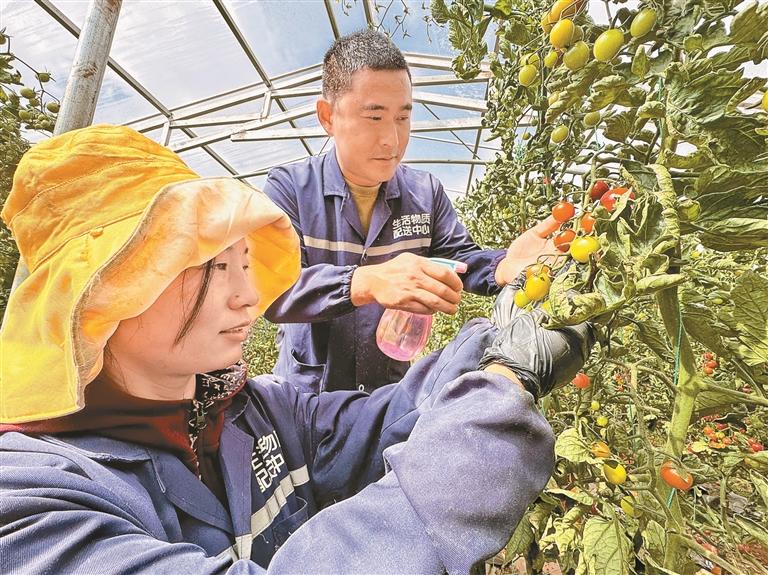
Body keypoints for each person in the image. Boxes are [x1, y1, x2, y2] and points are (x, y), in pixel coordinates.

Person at [0, 125, 594, 574]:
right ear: (99, 292)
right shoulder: (31, 506)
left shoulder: (256, 413)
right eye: (210, 267)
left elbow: (395, 412)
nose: (247, 296)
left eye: (244, 264)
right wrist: (502, 388)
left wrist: (504, 336)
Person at [263, 29, 560, 394]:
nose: (392, 139)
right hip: (306, 399)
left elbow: (460, 259)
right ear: (328, 117)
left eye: (402, 118)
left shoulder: (424, 193)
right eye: (374, 118)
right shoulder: (290, 189)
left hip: (387, 396)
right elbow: (273, 291)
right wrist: (365, 281)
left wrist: (501, 265)